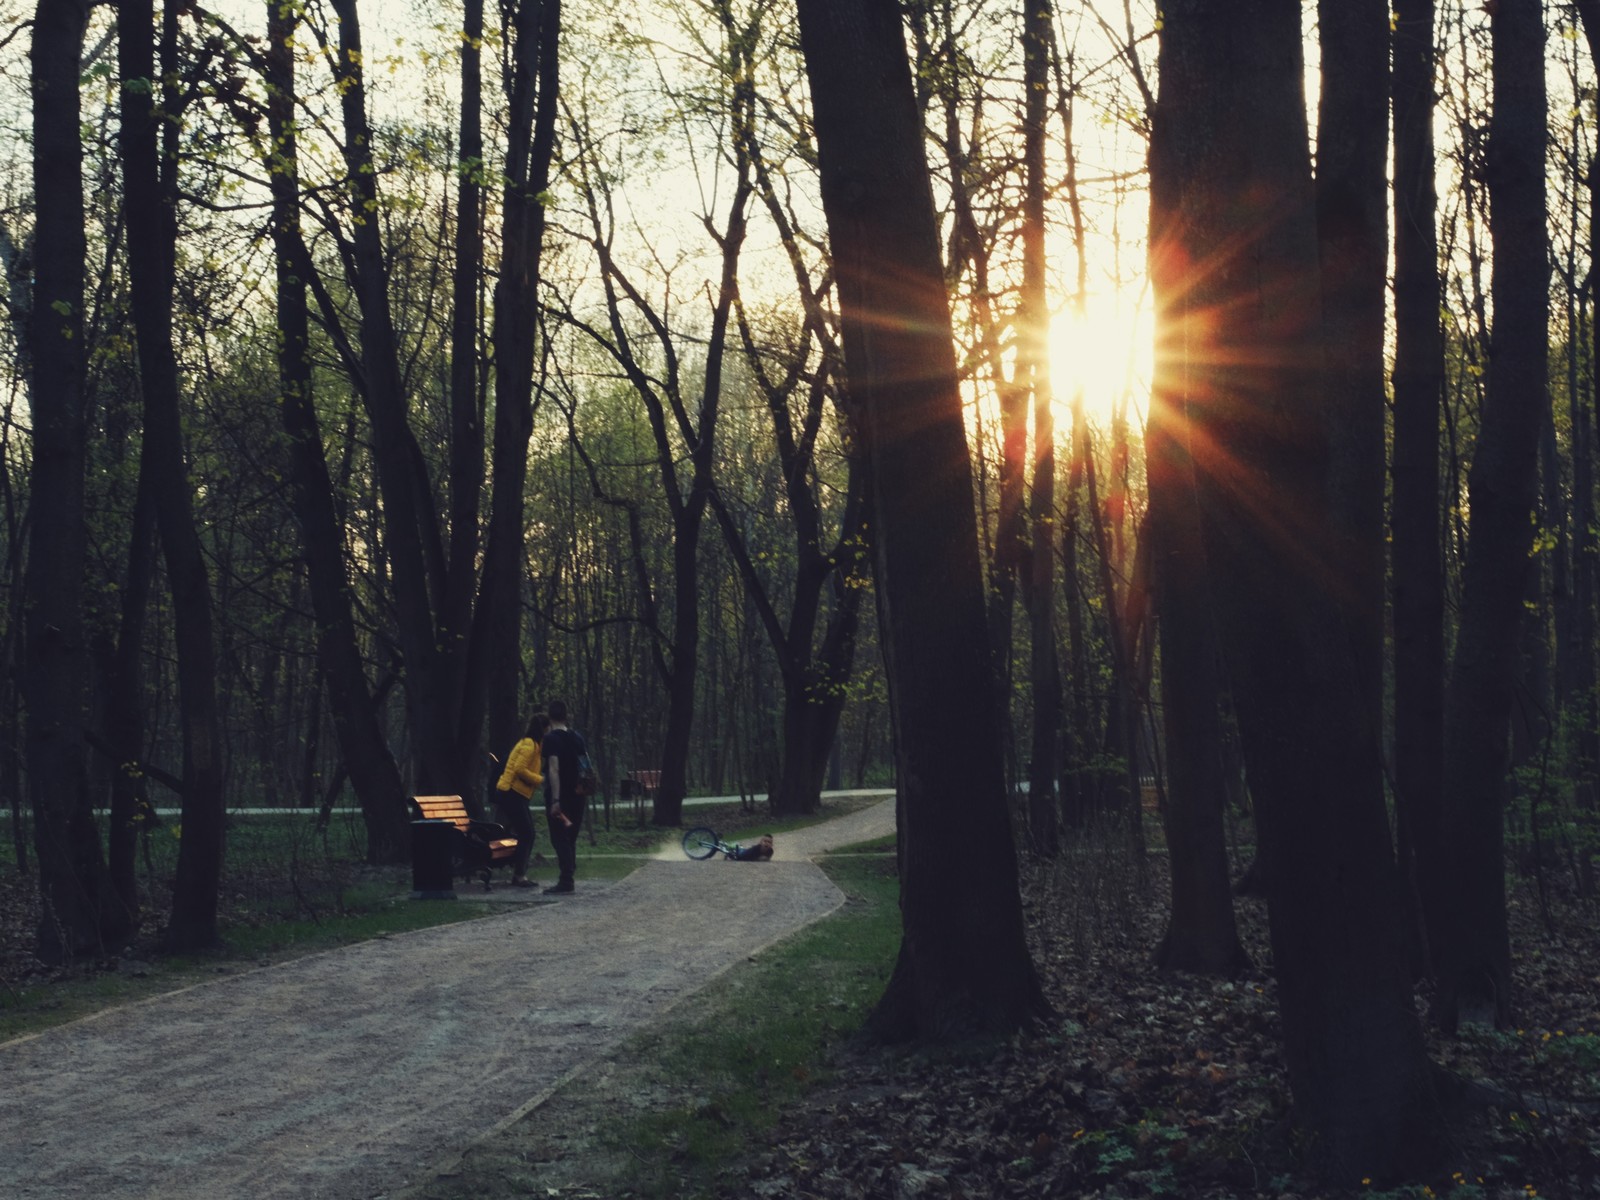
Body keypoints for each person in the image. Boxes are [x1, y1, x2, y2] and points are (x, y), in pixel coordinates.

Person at [539, 699, 591, 894]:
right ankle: (569, 874)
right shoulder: (577, 737)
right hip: (578, 794)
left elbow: (553, 769)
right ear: (566, 715)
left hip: (561, 797)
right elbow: (585, 765)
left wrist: (555, 800)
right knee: (570, 837)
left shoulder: (551, 739)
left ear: (550, 716)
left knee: (559, 837)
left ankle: (566, 880)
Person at [493, 713, 549, 888]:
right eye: (548, 729)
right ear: (543, 728)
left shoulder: (532, 745)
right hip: (511, 792)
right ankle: (519, 876)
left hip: (516, 794)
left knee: (527, 832)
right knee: (527, 833)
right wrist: (540, 779)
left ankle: (519, 873)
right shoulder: (529, 745)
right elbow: (519, 769)